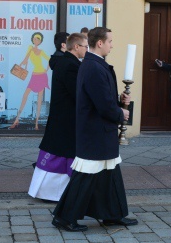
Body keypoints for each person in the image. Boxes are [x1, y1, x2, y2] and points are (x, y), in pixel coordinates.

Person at [52, 27, 137, 231]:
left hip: (100, 130)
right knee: (85, 175)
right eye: (110, 41)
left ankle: (112, 214)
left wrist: (120, 102)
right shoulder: (93, 67)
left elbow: (101, 97)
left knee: (110, 173)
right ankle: (64, 217)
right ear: (100, 43)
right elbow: (102, 104)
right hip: (95, 131)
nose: (112, 45)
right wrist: (120, 113)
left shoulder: (94, 65)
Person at [29, 33, 88, 202]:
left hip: (62, 117)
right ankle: (52, 193)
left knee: (61, 153)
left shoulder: (64, 62)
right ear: (76, 47)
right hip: (66, 118)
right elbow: (77, 93)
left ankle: (56, 192)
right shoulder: (71, 65)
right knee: (61, 155)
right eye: (85, 46)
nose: (87, 50)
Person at [9, 32, 50, 130]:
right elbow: (26, 59)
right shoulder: (30, 48)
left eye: (39, 39)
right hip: (34, 75)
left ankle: (36, 124)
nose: (37, 40)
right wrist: (23, 63)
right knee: (25, 95)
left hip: (42, 75)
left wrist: (46, 70)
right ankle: (17, 119)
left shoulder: (41, 51)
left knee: (40, 100)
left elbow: (50, 59)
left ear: (40, 41)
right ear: (33, 39)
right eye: (36, 38)